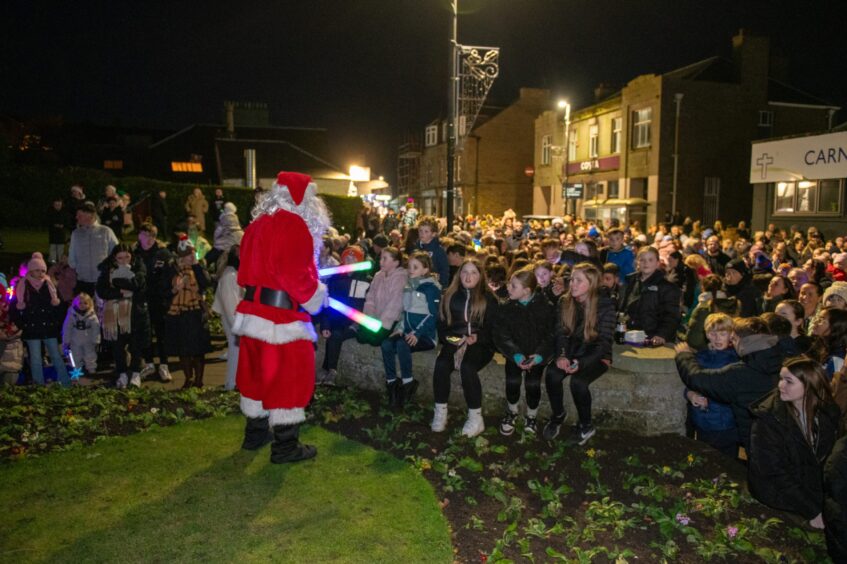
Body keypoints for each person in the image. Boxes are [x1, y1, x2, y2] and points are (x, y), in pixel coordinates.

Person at [232, 171, 330, 463]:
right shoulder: (294, 225)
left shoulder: (257, 224)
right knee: (290, 377)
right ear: (303, 200)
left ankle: (255, 434)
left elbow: (244, 273)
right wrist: (316, 297)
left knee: (256, 376)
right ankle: (285, 447)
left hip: (252, 314)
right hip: (281, 319)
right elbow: (295, 275)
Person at [748, 357, 839, 530]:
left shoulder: (828, 412)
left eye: (788, 381)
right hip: (778, 495)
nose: (780, 385)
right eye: (781, 378)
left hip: (809, 489)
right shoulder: (767, 419)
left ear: (810, 385)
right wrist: (812, 510)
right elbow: (773, 472)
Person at [675, 317, 783, 452]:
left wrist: (684, 355)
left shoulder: (740, 370)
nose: (732, 342)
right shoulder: (777, 360)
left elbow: (698, 379)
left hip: (752, 439)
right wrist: (690, 394)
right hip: (774, 436)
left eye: (734, 339)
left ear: (745, 342)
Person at [543, 262, 616, 444]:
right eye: (572, 279)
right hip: (571, 351)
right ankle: (558, 415)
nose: (572, 284)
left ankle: (586, 426)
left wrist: (581, 363)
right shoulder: (565, 301)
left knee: (578, 382)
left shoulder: (604, 305)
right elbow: (561, 332)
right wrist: (561, 355)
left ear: (590, 284)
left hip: (596, 355)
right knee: (552, 373)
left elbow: (603, 342)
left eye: (578, 280)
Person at [431, 259, 498, 438]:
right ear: (459, 275)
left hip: (480, 344)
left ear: (480, 276)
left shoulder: (489, 298)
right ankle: (440, 411)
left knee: (468, 367)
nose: (468, 276)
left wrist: (478, 337)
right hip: (454, 340)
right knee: (441, 364)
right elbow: (442, 324)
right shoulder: (449, 295)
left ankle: (476, 418)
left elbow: (494, 328)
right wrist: (451, 339)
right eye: (464, 272)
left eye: (473, 273)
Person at [493, 266, 555, 436]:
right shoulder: (507, 307)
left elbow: (551, 335)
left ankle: (531, 415)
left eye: (513, 286)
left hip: (536, 356)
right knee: (512, 381)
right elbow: (501, 334)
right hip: (515, 354)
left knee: (533, 384)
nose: (508, 288)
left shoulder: (545, 307)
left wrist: (540, 355)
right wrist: (515, 354)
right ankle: (512, 411)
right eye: (509, 284)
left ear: (527, 291)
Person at [381, 251, 441, 409]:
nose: (411, 269)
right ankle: (392, 384)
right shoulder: (409, 286)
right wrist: (400, 327)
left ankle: (408, 383)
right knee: (386, 344)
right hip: (408, 332)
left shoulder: (430, 288)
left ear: (425, 270)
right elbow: (405, 312)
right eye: (409, 266)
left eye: (416, 267)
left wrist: (417, 333)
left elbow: (433, 315)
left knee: (402, 345)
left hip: (425, 336)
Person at [684, 313, 740, 457]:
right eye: (713, 333)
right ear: (707, 334)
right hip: (702, 421)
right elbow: (691, 382)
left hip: (726, 424)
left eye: (722, 333)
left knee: (725, 462)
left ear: (731, 334)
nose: (717, 338)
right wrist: (690, 395)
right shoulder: (701, 357)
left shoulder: (736, 359)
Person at [10, 253, 69, 386]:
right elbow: (14, 308)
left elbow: (59, 305)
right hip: (32, 328)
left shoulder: (50, 285)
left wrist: (56, 321)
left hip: (49, 327)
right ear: (30, 270)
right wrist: (22, 324)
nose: (41, 273)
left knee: (56, 357)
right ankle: (39, 385)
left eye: (43, 270)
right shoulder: (22, 286)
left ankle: (66, 384)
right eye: (38, 270)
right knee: (35, 359)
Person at [96, 244, 151, 389]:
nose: (124, 260)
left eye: (127, 256)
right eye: (120, 258)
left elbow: (138, 285)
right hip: (114, 316)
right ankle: (121, 373)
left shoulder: (139, 267)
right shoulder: (107, 269)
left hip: (136, 313)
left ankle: (135, 373)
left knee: (136, 345)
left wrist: (116, 282)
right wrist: (120, 293)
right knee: (118, 346)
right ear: (114, 258)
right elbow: (102, 290)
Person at [318, 246, 369, 385]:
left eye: (354, 258)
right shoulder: (335, 277)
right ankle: (327, 370)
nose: (350, 261)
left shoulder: (364, 280)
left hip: (354, 323)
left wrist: (355, 323)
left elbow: (363, 306)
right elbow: (327, 302)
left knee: (336, 335)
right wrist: (325, 324)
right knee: (332, 332)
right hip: (336, 320)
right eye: (347, 258)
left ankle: (330, 371)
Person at [164, 236, 211, 388]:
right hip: (179, 312)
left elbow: (206, 283)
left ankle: (199, 379)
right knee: (183, 349)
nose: (191, 257)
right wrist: (174, 289)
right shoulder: (173, 269)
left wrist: (197, 266)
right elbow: (164, 291)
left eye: (193, 254)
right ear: (181, 257)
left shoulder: (199, 267)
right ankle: (188, 378)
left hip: (196, 311)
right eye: (188, 255)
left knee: (198, 349)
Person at [133, 223, 173, 382]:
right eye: (145, 235)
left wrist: (165, 292)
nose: (149, 239)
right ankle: (149, 364)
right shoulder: (134, 254)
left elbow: (170, 275)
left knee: (161, 332)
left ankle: (164, 364)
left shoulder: (163, 253)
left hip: (159, 299)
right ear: (139, 236)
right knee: (145, 332)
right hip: (141, 299)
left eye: (152, 236)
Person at [620, 246, 681, 345]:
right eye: (642, 260)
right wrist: (620, 327)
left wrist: (662, 335)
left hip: (653, 339)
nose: (646, 263)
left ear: (657, 263)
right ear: (637, 262)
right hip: (630, 336)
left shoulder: (668, 288)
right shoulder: (630, 282)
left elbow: (672, 316)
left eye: (650, 260)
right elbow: (623, 309)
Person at [361, 246, 407, 352]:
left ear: (395, 263)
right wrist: (370, 317)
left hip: (389, 321)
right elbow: (370, 296)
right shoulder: (378, 275)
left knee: (374, 340)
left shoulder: (400, 278)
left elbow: (395, 304)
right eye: (381, 258)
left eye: (385, 259)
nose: (381, 261)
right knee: (361, 337)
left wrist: (381, 324)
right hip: (375, 317)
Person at [68, 202, 119, 296]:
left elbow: (117, 252)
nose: (76, 217)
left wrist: (109, 268)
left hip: (102, 280)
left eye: (80, 215)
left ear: (90, 215)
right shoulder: (76, 233)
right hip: (82, 280)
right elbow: (72, 253)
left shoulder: (106, 231)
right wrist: (75, 267)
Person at [212, 246, 243, 391]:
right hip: (234, 321)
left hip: (236, 320)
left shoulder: (232, 274)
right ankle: (232, 383)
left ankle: (234, 382)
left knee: (236, 351)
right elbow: (231, 307)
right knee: (235, 350)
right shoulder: (230, 277)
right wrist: (238, 327)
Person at [684, 274, 740, 351]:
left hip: (708, 352)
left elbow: (694, 340)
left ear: (702, 288)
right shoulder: (734, 305)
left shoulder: (702, 308)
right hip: (734, 350)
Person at [61, 292, 100, 377]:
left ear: (89, 304)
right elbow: (67, 328)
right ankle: (76, 370)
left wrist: (96, 340)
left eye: (85, 303)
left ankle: (91, 369)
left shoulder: (92, 315)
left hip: (88, 339)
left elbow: (96, 328)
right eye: (80, 303)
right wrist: (66, 341)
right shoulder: (71, 314)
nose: (82, 305)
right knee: (75, 355)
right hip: (75, 339)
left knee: (90, 354)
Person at [810, 307, 847, 379]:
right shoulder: (822, 347)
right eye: (817, 318)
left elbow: (831, 388)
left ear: (834, 327)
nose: (815, 322)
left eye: (821, 320)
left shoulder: (838, 359)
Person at [207, 202, 244, 268]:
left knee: (210, 258)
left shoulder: (223, 220)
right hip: (234, 250)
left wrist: (216, 242)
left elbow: (217, 234)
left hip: (222, 248)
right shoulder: (237, 222)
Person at [417, 216, 450, 287]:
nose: (422, 234)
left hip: (433, 286)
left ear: (433, 234)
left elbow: (444, 270)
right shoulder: (417, 248)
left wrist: (442, 286)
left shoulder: (438, 251)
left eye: (426, 231)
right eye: (420, 230)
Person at [47, 198, 67, 264]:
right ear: (53, 205)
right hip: (53, 233)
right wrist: (55, 225)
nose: (58, 206)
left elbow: (66, 221)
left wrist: (62, 225)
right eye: (56, 205)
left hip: (61, 234)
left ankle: (60, 261)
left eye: (59, 205)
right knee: (53, 247)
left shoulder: (64, 212)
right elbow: (48, 221)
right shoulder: (50, 212)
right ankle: (52, 261)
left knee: (60, 248)